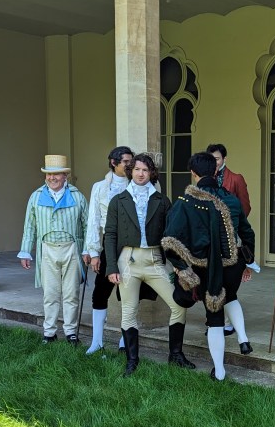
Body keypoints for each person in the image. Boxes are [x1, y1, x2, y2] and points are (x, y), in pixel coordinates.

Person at [162, 152, 256, 381]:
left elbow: (170, 239)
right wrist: (248, 261)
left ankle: (220, 371)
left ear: (193, 174)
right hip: (232, 265)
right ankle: (243, 338)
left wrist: (181, 267)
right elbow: (247, 233)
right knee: (230, 296)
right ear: (216, 171)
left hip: (204, 268)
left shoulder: (186, 202)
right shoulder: (231, 200)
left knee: (214, 317)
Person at [103, 154, 190, 376]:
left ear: (152, 173)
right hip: (128, 262)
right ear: (130, 171)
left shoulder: (162, 200)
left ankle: (175, 355)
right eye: (137, 169)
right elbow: (110, 234)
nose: (141, 173)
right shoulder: (118, 200)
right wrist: (111, 267)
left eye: (146, 170)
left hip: (155, 260)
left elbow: (171, 235)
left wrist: (178, 263)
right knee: (128, 311)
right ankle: (132, 360)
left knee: (179, 303)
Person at [18, 154, 89, 344]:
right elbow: (29, 226)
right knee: (50, 293)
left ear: (65, 176)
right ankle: (49, 332)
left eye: (56, 174)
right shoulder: (36, 196)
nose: (52, 178)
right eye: (48, 175)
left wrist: (88, 250)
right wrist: (25, 251)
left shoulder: (77, 196)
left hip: (71, 248)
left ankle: (71, 332)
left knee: (71, 293)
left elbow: (87, 226)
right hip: (47, 249)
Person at [84, 146, 133, 354]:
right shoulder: (100, 187)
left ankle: (125, 340)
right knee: (100, 292)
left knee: (129, 293)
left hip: (132, 245)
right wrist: (93, 252)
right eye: (126, 162)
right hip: (109, 244)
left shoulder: (137, 184)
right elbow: (93, 220)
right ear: (114, 163)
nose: (130, 166)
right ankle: (97, 341)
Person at [208, 143, 251, 337]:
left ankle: (226, 323)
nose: (214, 162)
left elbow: (245, 207)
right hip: (210, 239)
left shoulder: (236, 179)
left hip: (231, 238)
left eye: (216, 159)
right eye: (211, 159)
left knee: (227, 282)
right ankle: (215, 320)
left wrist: (231, 224)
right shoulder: (205, 179)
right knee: (213, 280)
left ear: (224, 159)